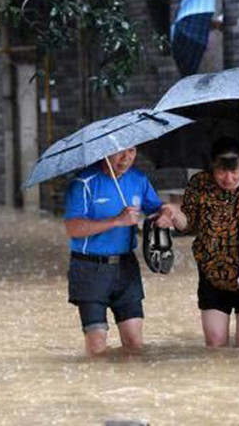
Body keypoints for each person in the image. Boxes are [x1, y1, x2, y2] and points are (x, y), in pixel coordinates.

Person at [155, 137, 239, 348]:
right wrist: (172, 214)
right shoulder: (199, 184)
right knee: (215, 343)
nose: (228, 178)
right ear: (212, 165)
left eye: (234, 171)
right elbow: (188, 224)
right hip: (212, 273)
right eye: (221, 171)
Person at [64, 146, 162, 356]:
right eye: (120, 152)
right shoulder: (83, 183)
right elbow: (73, 228)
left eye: (133, 151)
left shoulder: (138, 179)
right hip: (90, 269)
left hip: (126, 267)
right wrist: (117, 221)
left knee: (135, 345)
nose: (126, 158)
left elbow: (155, 211)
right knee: (97, 348)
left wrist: (167, 214)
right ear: (105, 152)